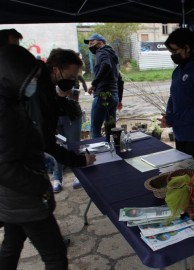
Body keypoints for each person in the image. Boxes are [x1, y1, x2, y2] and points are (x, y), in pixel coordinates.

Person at [0, 45, 68, 269]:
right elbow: (5, 168)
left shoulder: (10, 101)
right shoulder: (6, 113)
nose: (34, 83)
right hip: (25, 200)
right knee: (55, 256)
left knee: (12, 243)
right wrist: (40, 185)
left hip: (11, 200)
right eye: (30, 78)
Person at [26, 48, 96, 187]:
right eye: (70, 77)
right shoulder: (39, 93)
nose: (72, 81)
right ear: (56, 70)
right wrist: (81, 161)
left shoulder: (43, 82)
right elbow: (47, 144)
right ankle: (57, 179)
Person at [158, 28, 194, 160]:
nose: (173, 55)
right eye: (171, 52)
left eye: (175, 51)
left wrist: (174, 119)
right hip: (181, 132)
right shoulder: (178, 71)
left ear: (187, 48)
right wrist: (168, 115)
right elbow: (173, 96)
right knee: (183, 174)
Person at [84, 33, 124, 138]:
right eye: (88, 43)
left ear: (100, 43)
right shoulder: (113, 57)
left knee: (95, 128)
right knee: (111, 128)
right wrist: (119, 100)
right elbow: (120, 80)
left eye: (92, 42)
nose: (89, 45)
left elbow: (106, 65)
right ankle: (113, 151)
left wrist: (93, 84)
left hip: (103, 96)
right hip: (114, 97)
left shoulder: (101, 51)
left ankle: (99, 153)